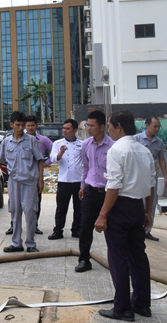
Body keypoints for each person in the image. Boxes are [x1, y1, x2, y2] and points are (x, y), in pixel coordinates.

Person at [95, 111, 156, 321]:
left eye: (110, 126)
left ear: (119, 126)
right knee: (138, 256)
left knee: (118, 258)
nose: (109, 130)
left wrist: (103, 215)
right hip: (138, 207)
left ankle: (122, 308)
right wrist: (147, 212)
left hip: (120, 207)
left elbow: (113, 186)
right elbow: (151, 185)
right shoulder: (144, 150)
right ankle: (142, 304)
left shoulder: (116, 150)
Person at [0, 111, 45, 253]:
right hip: (13, 182)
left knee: (30, 211)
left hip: (29, 181)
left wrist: (41, 180)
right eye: (17, 125)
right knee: (15, 211)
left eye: (23, 125)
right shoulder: (7, 142)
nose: (21, 128)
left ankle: (30, 243)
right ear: (11, 124)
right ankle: (16, 243)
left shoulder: (31, 140)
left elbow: (40, 160)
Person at [76, 110, 114, 273]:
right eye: (87, 125)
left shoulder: (113, 146)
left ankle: (115, 260)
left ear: (102, 127)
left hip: (109, 193)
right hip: (90, 191)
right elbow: (85, 167)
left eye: (92, 126)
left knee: (112, 227)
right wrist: (82, 186)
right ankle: (84, 259)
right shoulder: (86, 145)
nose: (88, 128)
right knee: (85, 227)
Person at [6, 115, 52, 235]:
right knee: (15, 205)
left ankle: (34, 227)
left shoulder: (42, 140)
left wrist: (47, 164)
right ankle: (14, 226)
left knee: (34, 204)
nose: (30, 128)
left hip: (33, 177)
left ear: (36, 126)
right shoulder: (11, 141)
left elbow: (51, 152)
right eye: (28, 125)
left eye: (32, 125)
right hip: (17, 178)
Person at [48, 119, 83, 240]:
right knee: (61, 208)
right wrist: (60, 153)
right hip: (64, 180)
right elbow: (53, 159)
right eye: (64, 128)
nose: (65, 131)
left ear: (75, 130)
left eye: (68, 129)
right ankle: (58, 231)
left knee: (79, 207)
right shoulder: (58, 143)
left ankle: (76, 229)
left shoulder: (82, 144)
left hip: (78, 180)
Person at [135, 116, 167, 242]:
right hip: (138, 177)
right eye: (155, 126)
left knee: (151, 204)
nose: (157, 129)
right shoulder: (136, 139)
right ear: (147, 125)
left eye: (159, 126)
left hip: (152, 177)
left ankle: (147, 230)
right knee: (139, 204)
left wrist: (165, 176)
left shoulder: (159, 142)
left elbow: (161, 159)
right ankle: (137, 229)